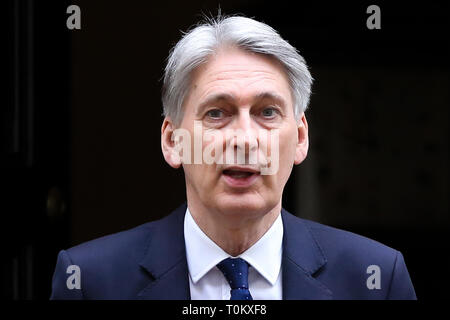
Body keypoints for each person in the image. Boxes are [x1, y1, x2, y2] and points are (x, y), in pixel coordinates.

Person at [50, 15, 416, 300]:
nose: (244, 139)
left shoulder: (375, 276)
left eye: (268, 112)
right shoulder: (90, 279)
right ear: (173, 140)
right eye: (217, 113)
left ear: (301, 137)